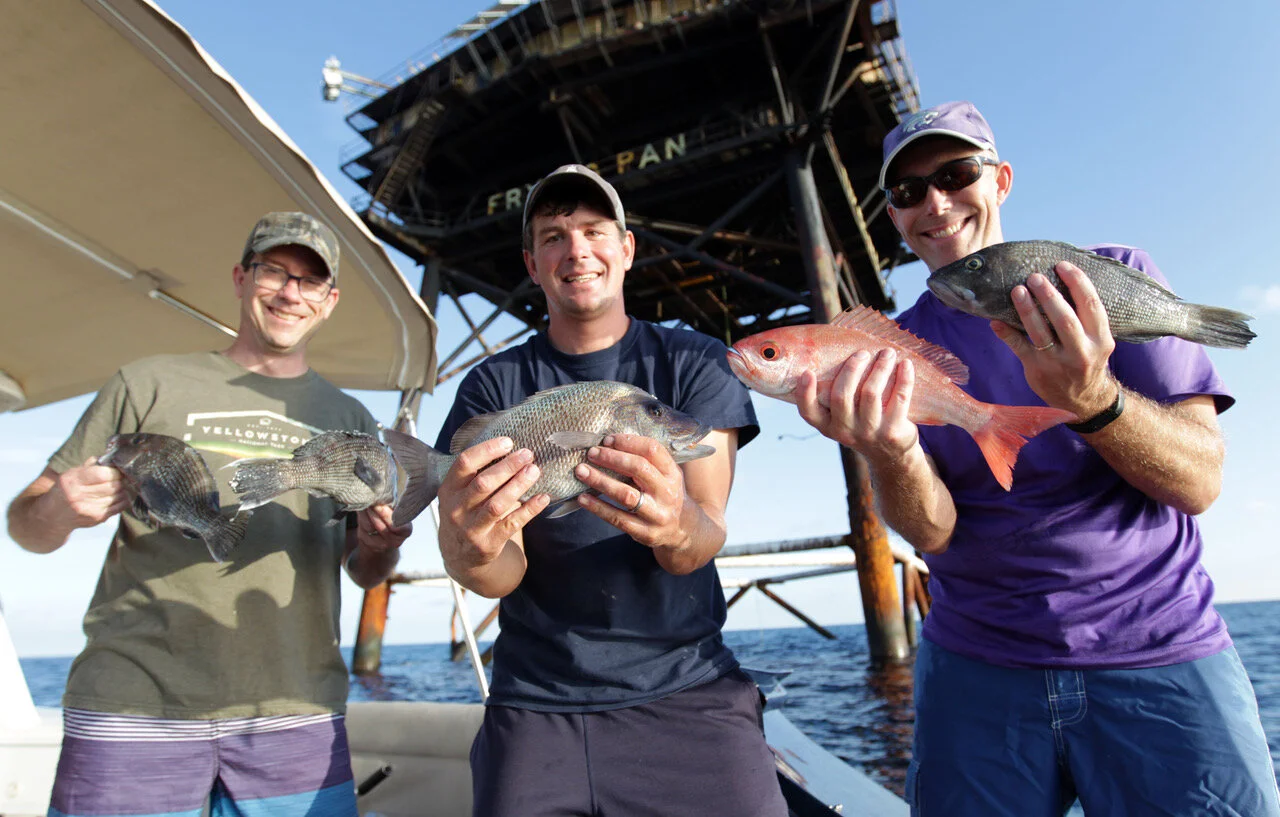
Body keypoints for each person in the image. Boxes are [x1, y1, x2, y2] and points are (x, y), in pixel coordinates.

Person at [794, 100, 1280, 815]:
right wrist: (890, 449)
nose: (934, 202)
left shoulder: (1112, 279)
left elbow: (1200, 480)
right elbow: (931, 534)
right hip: (978, 664)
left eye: (956, 173)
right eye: (906, 191)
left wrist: (1093, 398)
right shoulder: (894, 351)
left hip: (1160, 647)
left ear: (1002, 180)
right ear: (893, 216)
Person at [6, 212, 410, 817]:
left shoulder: (350, 416)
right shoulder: (146, 383)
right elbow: (25, 527)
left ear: (329, 302)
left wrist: (382, 545)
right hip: (133, 703)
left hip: (293, 711)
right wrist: (61, 507)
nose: (289, 292)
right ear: (241, 278)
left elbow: (366, 571)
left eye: (309, 281)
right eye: (274, 270)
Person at [432, 164, 786, 817]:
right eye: (554, 236)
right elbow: (498, 572)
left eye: (594, 230)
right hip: (536, 696)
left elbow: (701, 537)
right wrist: (470, 547)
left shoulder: (697, 363)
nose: (577, 250)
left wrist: (676, 523)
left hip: (688, 683)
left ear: (626, 248)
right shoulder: (491, 387)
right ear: (533, 264)